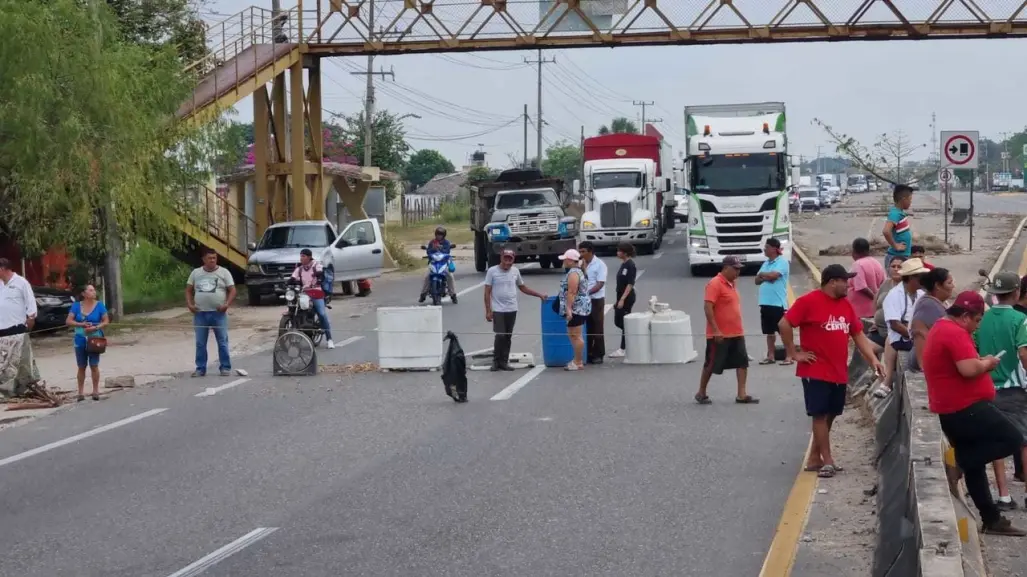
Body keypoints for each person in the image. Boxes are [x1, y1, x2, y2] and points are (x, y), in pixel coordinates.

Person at [922, 290, 1026, 536]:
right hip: (964, 407)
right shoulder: (954, 332)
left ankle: (991, 519)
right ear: (966, 316)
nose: (977, 326)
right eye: (977, 320)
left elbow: (964, 364)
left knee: (977, 467)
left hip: (955, 405)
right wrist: (987, 364)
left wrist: (980, 360)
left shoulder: (943, 327)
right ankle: (961, 461)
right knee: (1012, 438)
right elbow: (968, 369)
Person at [779, 264, 884, 478]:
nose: (849, 284)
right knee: (819, 414)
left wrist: (873, 360)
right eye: (845, 280)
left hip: (838, 371)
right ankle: (827, 461)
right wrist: (793, 352)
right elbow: (784, 323)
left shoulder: (845, 305)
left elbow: (858, 335)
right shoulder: (808, 302)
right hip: (815, 369)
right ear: (832, 282)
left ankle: (814, 457)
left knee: (833, 413)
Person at [974, 270, 1027, 510]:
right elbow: (1024, 353)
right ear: (1016, 292)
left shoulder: (982, 320)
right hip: (1014, 389)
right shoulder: (1020, 320)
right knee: (1024, 441)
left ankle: (1004, 495)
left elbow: (973, 350)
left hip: (986, 388)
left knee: (996, 441)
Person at [695, 256, 757, 405]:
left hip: (736, 331)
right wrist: (716, 330)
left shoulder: (732, 283)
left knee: (742, 362)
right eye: (735, 269)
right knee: (711, 363)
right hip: (719, 333)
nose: (738, 272)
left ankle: (741, 394)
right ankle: (701, 392)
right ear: (725, 268)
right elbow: (708, 307)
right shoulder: (715, 284)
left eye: (739, 269)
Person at [483, 248, 546, 371]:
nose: (507, 262)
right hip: (498, 309)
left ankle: (504, 362)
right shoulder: (492, 271)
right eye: (505, 259)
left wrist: (539, 295)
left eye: (510, 259)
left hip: (512, 308)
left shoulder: (515, 271)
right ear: (501, 258)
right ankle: (496, 361)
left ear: (513, 260)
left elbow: (523, 287)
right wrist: (488, 310)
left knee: (507, 336)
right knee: (500, 335)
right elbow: (487, 292)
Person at [875, 257, 928, 398]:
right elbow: (895, 324)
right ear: (911, 278)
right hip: (903, 338)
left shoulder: (921, 294)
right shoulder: (894, 295)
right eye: (920, 277)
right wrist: (914, 335)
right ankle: (887, 381)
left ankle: (886, 381)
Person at [185, 248, 237, 377]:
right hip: (200, 313)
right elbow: (188, 290)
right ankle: (200, 368)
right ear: (203, 259)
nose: (212, 260)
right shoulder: (196, 273)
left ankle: (225, 367)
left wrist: (226, 305)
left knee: (222, 341)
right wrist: (190, 305)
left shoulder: (224, 272)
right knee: (200, 343)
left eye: (214, 258)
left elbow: (232, 290)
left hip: (218, 313)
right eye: (210, 258)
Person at [0, 258, 40, 398]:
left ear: (3, 269)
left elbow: (31, 305)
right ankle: (5, 391)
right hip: (1, 331)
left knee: (19, 363)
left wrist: (30, 321)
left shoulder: (21, 282)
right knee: (3, 365)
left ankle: (23, 387)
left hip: (16, 330)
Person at [66, 284, 109, 402]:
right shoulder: (76, 306)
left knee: (94, 365)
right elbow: (69, 321)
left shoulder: (100, 305)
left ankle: (95, 390)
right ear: (84, 294)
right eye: (90, 290)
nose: (93, 292)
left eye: (94, 290)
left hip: (95, 338)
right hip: (80, 338)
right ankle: (80, 392)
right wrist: (81, 324)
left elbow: (106, 321)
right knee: (81, 366)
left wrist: (96, 327)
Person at [910, 267, 954, 372]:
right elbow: (919, 334)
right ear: (938, 286)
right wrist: (923, 367)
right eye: (949, 283)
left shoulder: (937, 302)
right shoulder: (928, 305)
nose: (953, 286)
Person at [755, 238, 790, 365]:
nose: (764, 249)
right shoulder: (766, 264)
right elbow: (756, 280)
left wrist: (764, 275)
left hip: (777, 303)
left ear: (774, 249)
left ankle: (789, 356)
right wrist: (766, 276)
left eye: (767, 247)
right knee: (769, 332)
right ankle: (771, 356)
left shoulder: (782, 262)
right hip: (765, 303)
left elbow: (774, 276)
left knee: (783, 331)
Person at [291, 248, 334, 349]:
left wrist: (319, 279)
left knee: (322, 314)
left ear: (309, 257)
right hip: (304, 293)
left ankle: (329, 339)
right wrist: (288, 283)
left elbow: (320, 273)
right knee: (294, 307)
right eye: (300, 256)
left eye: (303, 256)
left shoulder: (316, 265)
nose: (301, 258)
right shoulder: (300, 268)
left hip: (316, 292)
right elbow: (293, 278)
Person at [557, 248, 590, 371]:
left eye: (565, 259)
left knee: (575, 335)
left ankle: (578, 361)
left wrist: (569, 309)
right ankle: (577, 360)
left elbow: (572, 292)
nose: (563, 262)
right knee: (573, 334)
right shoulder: (578, 271)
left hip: (577, 308)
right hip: (580, 307)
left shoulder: (573, 273)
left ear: (570, 261)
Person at [578, 241, 608, 364]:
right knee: (587, 327)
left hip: (596, 300)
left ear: (590, 251)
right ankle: (588, 352)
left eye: (583, 251)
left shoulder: (600, 265)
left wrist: (587, 293)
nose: (581, 254)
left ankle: (599, 354)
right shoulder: (581, 264)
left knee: (597, 327)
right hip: (584, 300)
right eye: (579, 251)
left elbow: (600, 283)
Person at [847, 237, 886, 323]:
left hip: (860, 311)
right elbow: (883, 283)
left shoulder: (858, 264)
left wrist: (875, 299)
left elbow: (861, 287)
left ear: (854, 251)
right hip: (873, 310)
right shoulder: (876, 262)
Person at [609, 242, 637, 359]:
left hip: (627, 297)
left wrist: (622, 299)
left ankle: (624, 348)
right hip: (619, 295)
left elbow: (630, 284)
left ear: (625, 252)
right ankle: (632, 336)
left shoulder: (630, 265)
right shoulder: (623, 264)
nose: (617, 253)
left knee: (624, 322)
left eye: (619, 251)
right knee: (618, 321)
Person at [419, 226, 457, 304]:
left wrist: (441, 248)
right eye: (438, 234)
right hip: (433, 263)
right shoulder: (432, 242)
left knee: (450, 276)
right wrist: (433, 248)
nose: (439, 236)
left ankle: (453, 295)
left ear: (444, 235)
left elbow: (447, 251)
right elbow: (428, 252)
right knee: (427, 276)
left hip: (443, 264)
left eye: (441, 235)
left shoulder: (446, 243)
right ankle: (423, 294)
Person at [883, 184, 914, 269]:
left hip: (902, 257)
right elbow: (886, 231)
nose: (911, 202)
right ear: (903, 200)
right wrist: (895, 246)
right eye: (910, 199)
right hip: (896, 259)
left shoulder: (900, 213)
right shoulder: (895, 213)